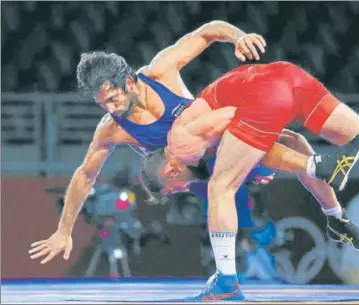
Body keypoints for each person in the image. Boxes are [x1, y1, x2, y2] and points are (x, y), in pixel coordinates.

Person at [151, 60, 359, 300]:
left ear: (167, 169)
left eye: (173, 187)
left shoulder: (179, 141)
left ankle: (226, 283)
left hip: (260, 94)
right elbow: (284, 137)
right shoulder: (203, 131)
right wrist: (260, 156)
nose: (182, 187)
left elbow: (236, 117)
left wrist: (271, 155)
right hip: (290, 77)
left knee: (221, 188)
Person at [28, 20, 271, 265]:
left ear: (130, 84)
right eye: (103, 105)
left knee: (286, 155)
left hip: (223, 144)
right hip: (188, 174)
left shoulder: (160, 72)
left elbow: (208, 31)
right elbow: (85, 175)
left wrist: (238, 38)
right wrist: (64, 230)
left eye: (113, 99)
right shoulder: (111, 129)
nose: (111, 109)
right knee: (207, 187)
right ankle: (232, 255)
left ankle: (259, 215)